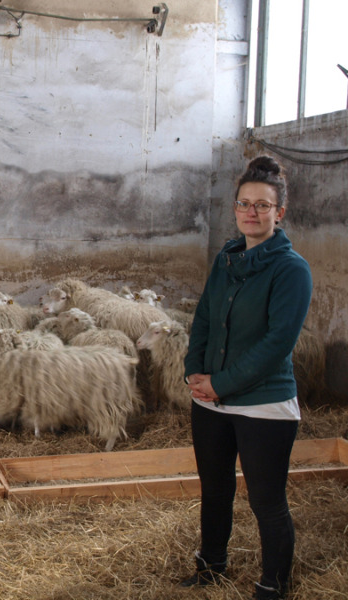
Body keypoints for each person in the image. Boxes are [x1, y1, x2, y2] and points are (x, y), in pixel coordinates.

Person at [182, 156, 312, 600]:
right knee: (215, 490)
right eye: (244, 203)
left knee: (266, 501)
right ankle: (211, 565)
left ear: (279, 212)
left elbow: (277, 344)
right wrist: (194, 371)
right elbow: (204, 317)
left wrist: (221, 384)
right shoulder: (226, 259)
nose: (251, 212)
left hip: (263, 405)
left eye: (263, 205)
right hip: (210, 402)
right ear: (235, 209)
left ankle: (273, 583)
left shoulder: (291, 269)